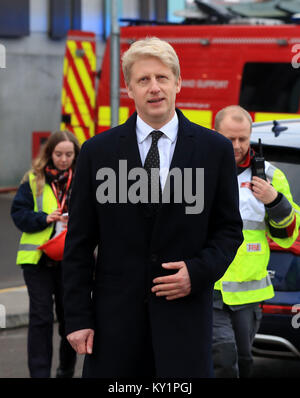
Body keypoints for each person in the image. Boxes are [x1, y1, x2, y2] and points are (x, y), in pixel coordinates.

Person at [62, 37, 243, 378]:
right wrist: (77, 318)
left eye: (162, 77)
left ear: (178, 81)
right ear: (129, 87)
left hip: (184, 326)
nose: (154, 88)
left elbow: (229, 231)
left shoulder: (214, 150)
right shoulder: (97, 152)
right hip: (113, 331)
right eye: (143, 79)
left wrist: (197, 271)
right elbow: (79, 243)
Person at [213, 105, 300, 378]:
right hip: (208, 286)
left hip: (248, 294)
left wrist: (274, 201)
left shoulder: (272, 177)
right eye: (229, 139)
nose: (237, 146)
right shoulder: (198, 171)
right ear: (215, 135)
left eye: (242, 139)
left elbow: (287, 237)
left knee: (243, 362)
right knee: (223, 360)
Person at [11, 130, 81, 378]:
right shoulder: (33, 179)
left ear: (75, 155)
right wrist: (43, 219)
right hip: (38, 262)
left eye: (69, 154)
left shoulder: (83, 179)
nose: (64, 159)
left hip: (71, 262)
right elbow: (18, 214)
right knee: (40, 319)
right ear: (50, 153)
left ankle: (66, 370)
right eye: (59, 154)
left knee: (69, 321)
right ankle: (39, 374)